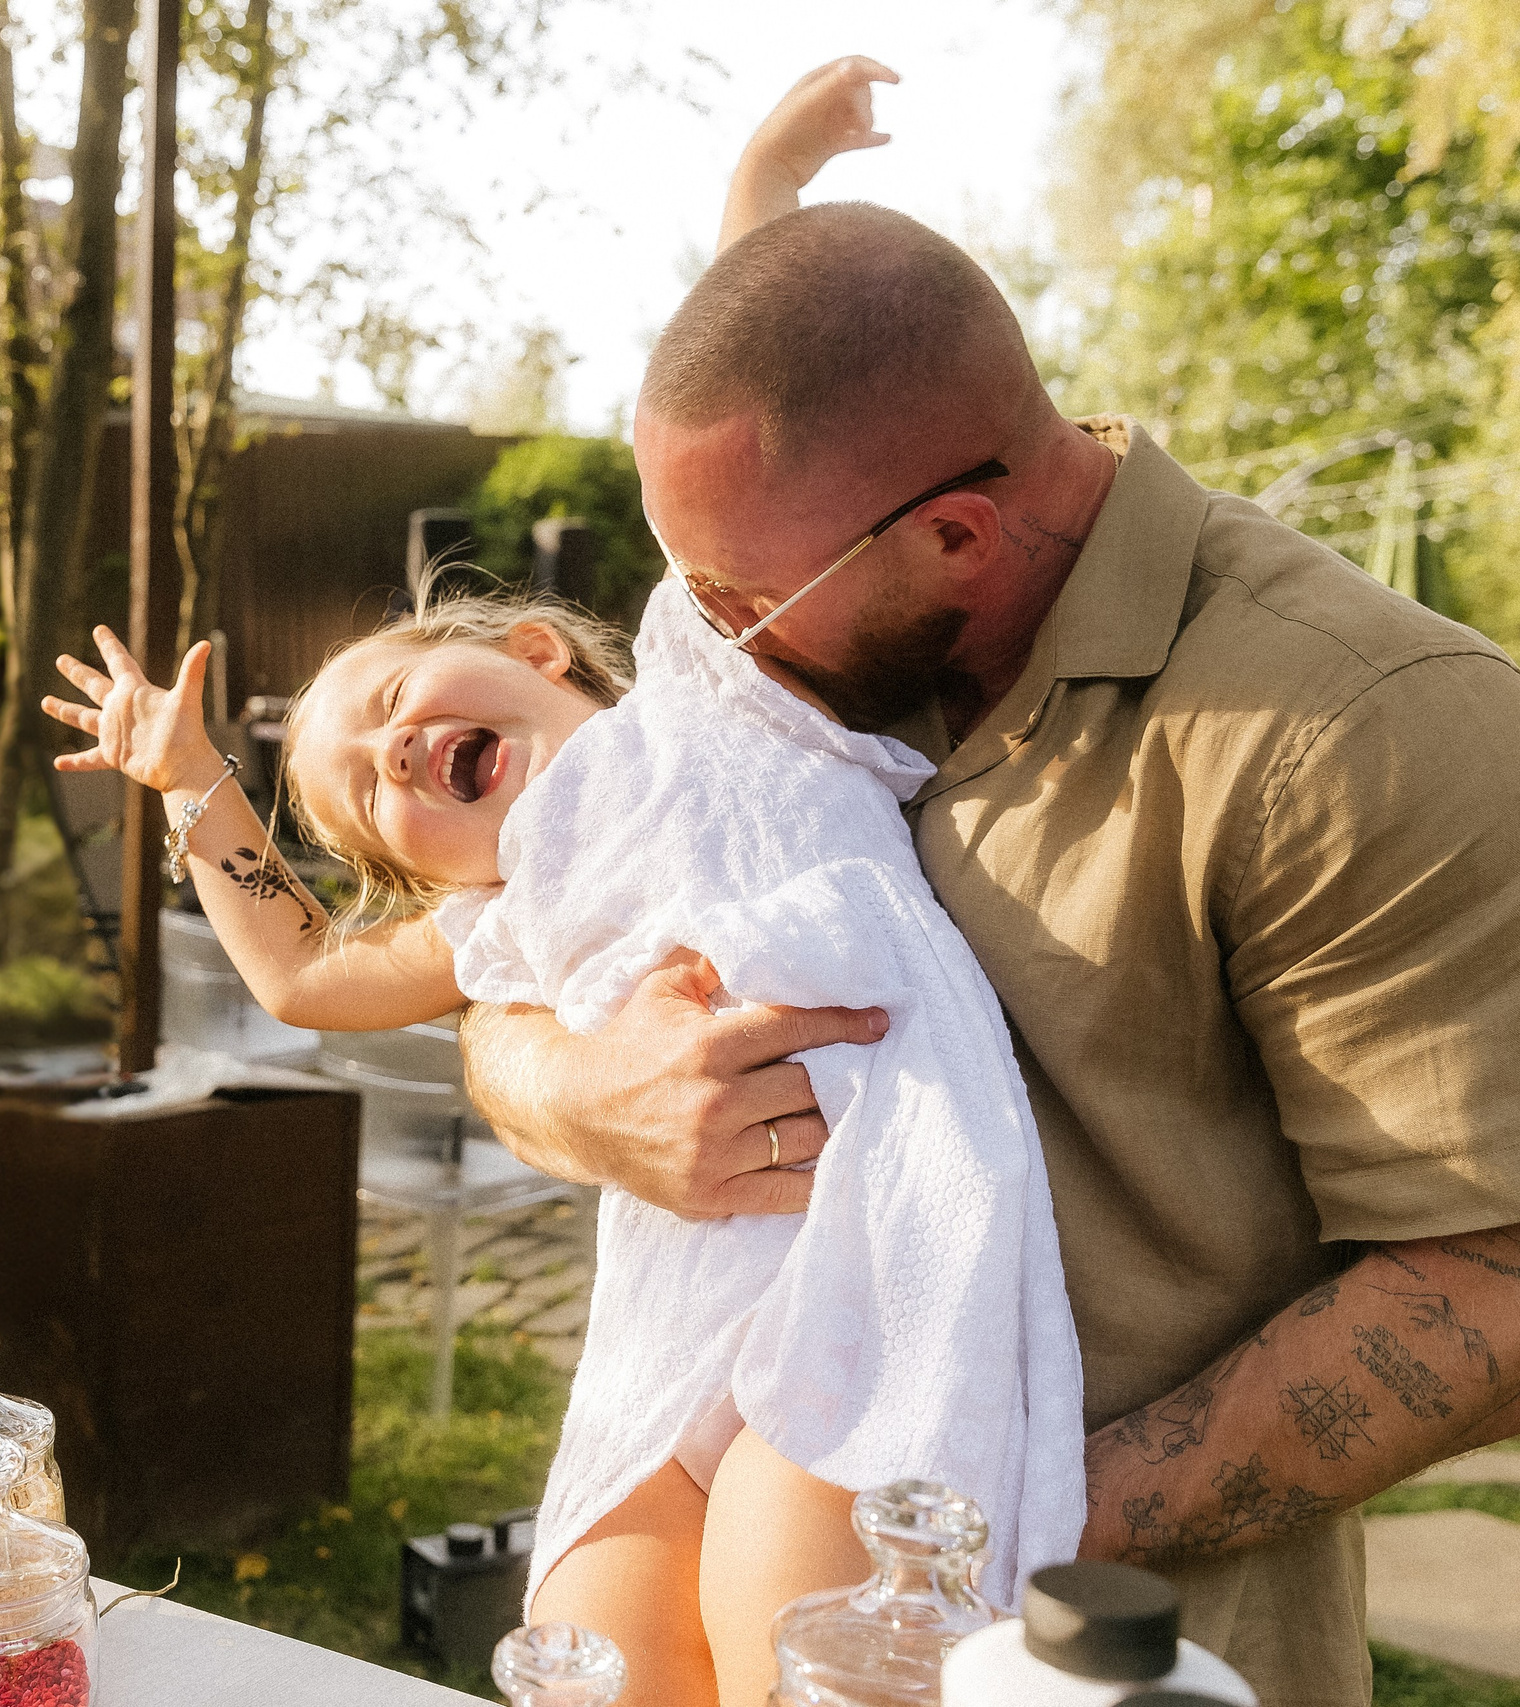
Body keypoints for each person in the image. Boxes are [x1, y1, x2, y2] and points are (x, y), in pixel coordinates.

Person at [455, 76, 1520, 1707]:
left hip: (1126, 1652)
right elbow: (501, 979)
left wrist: (941, 1521)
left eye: (738, 599)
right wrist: (575, 1093)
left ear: (958, 536)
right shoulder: (815, 633)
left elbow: (1490, 1285)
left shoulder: (1362, 728)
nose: (706, 640)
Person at [42, 62, 1082, 1707]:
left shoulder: (715, 681)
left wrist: (769, 175)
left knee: (810, 1638)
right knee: (590, 1638)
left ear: (532, 651)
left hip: (871, 1253)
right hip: (681, 1292)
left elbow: (760, 400)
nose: (392, 761)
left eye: (392, 708)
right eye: (368, 801)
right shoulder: (507, 913)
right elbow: (306, 979)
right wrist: (196, 790)